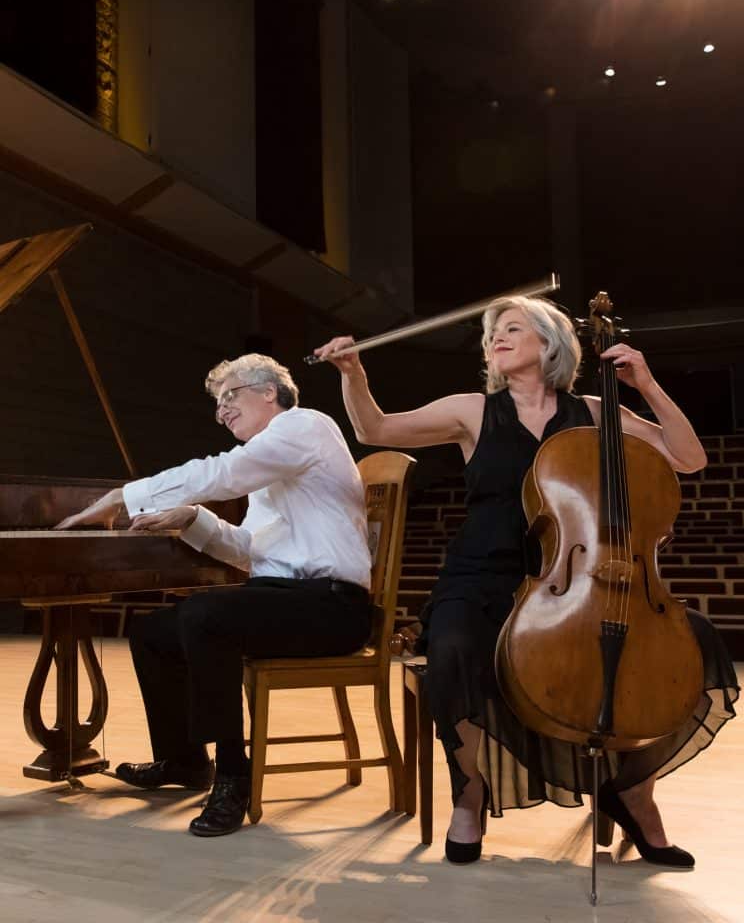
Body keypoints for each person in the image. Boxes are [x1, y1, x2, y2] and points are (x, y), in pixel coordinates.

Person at [315, 297, 739, 865]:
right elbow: (376, 429)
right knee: (455, 649)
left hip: (578, 580)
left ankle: (632, 793)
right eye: (492, 333)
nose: (496, 338)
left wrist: (646, 383)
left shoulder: (594, 409)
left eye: (512, 328)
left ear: (550, 343)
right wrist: (354, 375)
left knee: (691, 643)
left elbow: (688, 459)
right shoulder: (472, 411)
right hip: (481, 575)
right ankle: (469, 797)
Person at [56, 353, 372, 837]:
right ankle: (184, 762)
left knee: (206, 615)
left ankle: (232, 775)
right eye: (218, 403)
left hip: (333, 607)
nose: (221, 411)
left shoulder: (305, 426)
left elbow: (222, 472)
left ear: (270, 392)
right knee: (152, 632)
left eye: (231, 396)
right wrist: (193, 519)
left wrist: (124, 496)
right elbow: (251, 551)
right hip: (286, 599)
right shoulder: (273, 468)